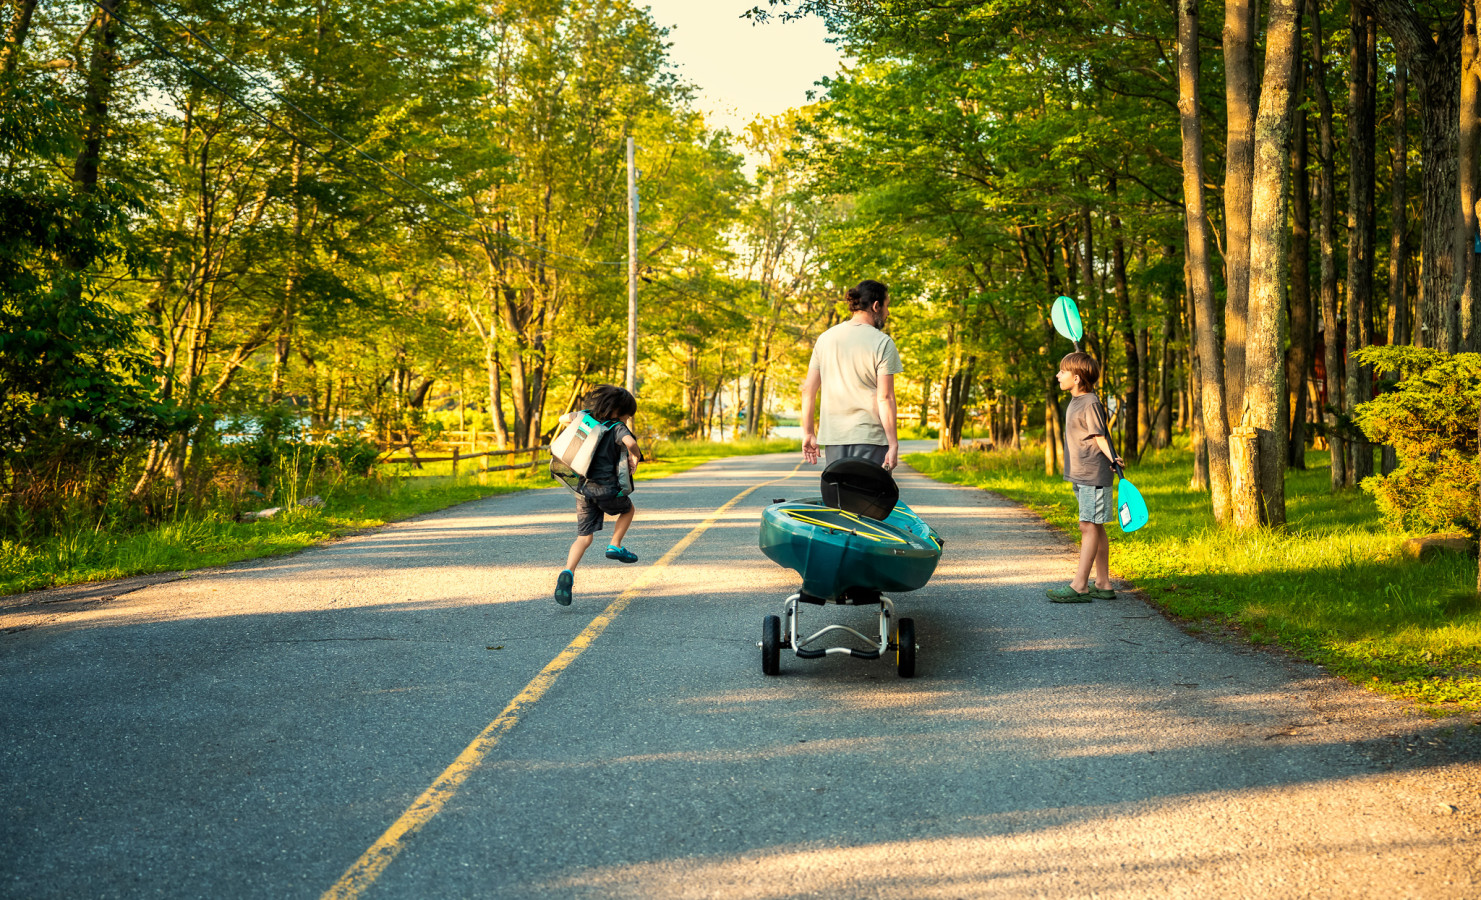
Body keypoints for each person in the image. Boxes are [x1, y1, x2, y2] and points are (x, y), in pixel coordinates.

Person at [800, 279, 904, 473]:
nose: (887, 313)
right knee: (869, 500)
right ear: (876, 306)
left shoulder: (825, 339)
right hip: (870, 438)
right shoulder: (883, 343)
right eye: (887, 306)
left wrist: (808, 432)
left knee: (840, 499)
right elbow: (885, 397)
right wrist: (893, 443)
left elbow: (808, 390)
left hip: (834, 437)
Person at [554, 385, 642, 606]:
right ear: (620, 412)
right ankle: (615, 544)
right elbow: (630, 443)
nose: (627, 420)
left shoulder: (588, 418)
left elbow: (563, 418)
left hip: (582, 489)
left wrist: (579, 416)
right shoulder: (617, 427)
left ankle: (568, 571)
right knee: (628, 509)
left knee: (584, 538)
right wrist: (636, 456)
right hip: (606, 488)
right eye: (627, 416)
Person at [1048, 352, 1124, 603]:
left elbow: (1100, 436)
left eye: (1063, 371)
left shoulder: (1090, 402)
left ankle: (1080, 585)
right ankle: (1103, 583)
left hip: (1093, 473)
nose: (1058, 375)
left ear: (1077, 378)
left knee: (1087, 525)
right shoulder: (1077, 400)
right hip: (1081, 473)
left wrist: (1113, 459)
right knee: (1096, 526)